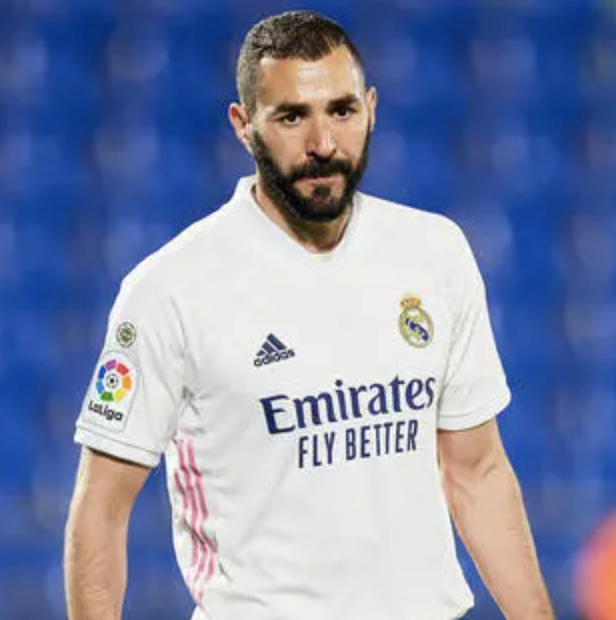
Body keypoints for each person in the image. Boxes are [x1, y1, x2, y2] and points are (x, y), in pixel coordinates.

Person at [64, 11, 556, 620]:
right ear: (243, 126)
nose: (323, 143)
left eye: (342, 111)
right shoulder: (170, 290)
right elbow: (101, 508)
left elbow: (477, 472)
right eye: (292, 117)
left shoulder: (435, 253)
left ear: (371, 109)